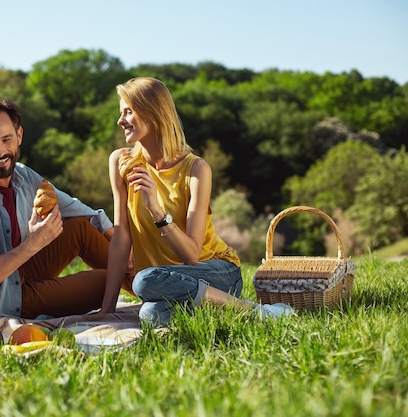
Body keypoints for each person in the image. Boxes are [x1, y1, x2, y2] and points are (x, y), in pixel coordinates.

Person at [100, 77, 295, 326]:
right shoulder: (121, 162)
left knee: (143, 281)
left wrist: (157, 211)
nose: (120, 121)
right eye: (121, 113)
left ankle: (253, 311)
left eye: (128, 111)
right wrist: (107, 309)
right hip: (166, 280)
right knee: (150, 315)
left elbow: (191, 255)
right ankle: (218, 309)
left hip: (216, 271)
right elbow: (121, 237)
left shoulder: (196, 169)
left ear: (153, 112)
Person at [0, 99, 130, 322]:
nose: (0, 151)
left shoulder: (23, 176)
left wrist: (122, 247)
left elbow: (79, 210)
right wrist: (33, 244)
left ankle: (152, 286)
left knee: (81, 228)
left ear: (19, 136)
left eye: (6, 139)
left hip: (23, 271)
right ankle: (148, 289)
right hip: (3, 301)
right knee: (107, 282)